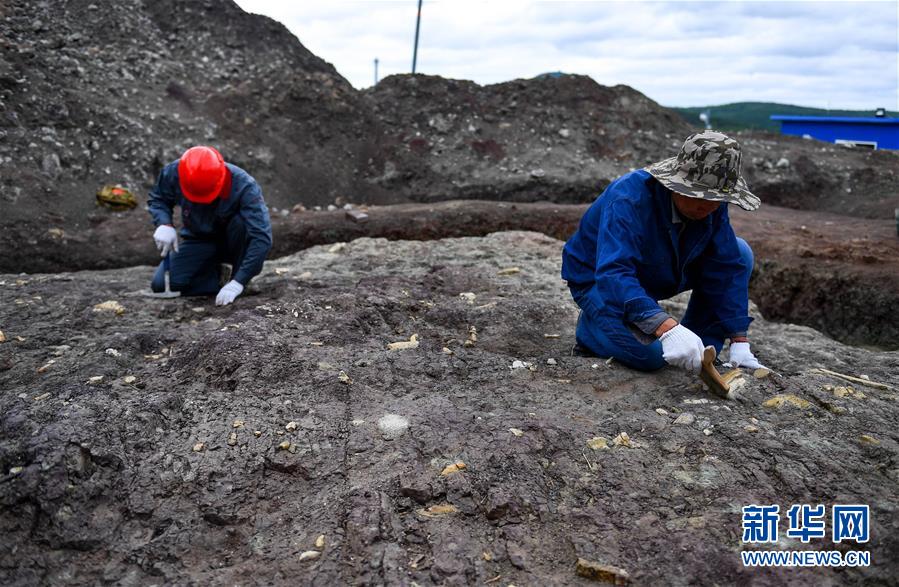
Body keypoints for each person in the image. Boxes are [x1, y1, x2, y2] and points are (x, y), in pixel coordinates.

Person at [561, 130, 765, 373]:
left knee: (740, 252)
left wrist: (739, 339)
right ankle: (592, 329)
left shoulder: (712, 205)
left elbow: (726, 265)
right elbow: (614, 272)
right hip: (600, 282)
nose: (708, 206)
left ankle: (700, 345)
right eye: (700, 196)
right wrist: (667, 328)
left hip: (656, 270)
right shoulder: (628, 198)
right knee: (654, 358)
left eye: (717, 199)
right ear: (676, 184)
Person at [148, 146, 272, 306]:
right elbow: (158, 199)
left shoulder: (244, 185)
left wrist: (239, 282)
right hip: (199, 239)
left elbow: (261, 237)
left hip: (233, 242)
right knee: (160, 285)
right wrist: (164, 223)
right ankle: (217, 278)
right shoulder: (174, 172)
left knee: (241, 224)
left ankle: (236, 277)